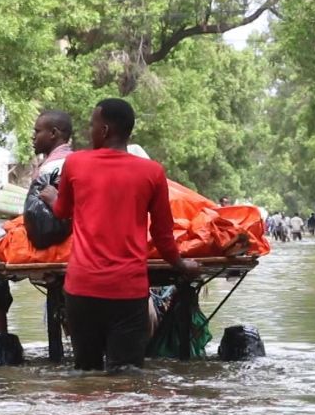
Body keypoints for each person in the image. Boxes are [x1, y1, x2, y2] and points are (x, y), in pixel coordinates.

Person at [41, 98, 200, 372]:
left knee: (86, 373)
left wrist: (52, 197)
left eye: (92, 125)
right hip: (128, 292)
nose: (89, 131)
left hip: (82, 289)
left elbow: (62, 211)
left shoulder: (75, 164)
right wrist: (182, 265)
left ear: (104, 130)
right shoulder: (152, 172)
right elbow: (162, 235)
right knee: (126, 376)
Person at [0, 110, 73, 364]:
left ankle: (2, 335)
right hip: (69, 236)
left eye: (37, 132)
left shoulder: (54, 167)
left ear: (54, 134)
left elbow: (47, 219)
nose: (33, 137)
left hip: (58, 242)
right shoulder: (70, 161)